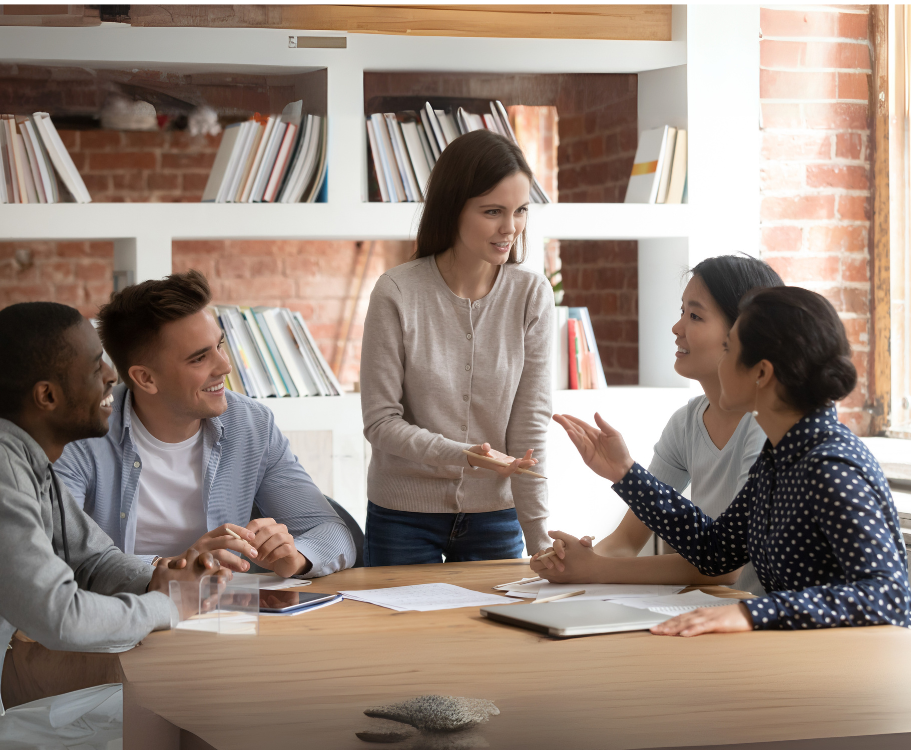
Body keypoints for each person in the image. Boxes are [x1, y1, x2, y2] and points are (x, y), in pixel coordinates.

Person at [545, 286, 910, 635]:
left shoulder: (830, 466)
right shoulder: (781, 456)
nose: (721, 362)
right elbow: (715, 550)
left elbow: (889, 598)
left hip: (848, 676)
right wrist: (625, 474)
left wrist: (751, 612)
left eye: (728, 349)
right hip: (803, 663)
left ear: (762, 373)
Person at [0, 302, 229, 715]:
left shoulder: (29, 461)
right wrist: (168, 605)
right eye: (94, 367)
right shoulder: (4, 470)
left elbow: (91, 559)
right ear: (47, 396)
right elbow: (60, 615)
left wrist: (167, 579)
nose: (112, 375)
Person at [55, 271, 355, 579]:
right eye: (199, 359)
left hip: (228, 615)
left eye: (220, 346)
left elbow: (331, 531)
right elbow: (61, 552)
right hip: (124, 615)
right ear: (146, 378)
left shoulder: (250, 425)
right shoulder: (80, 436)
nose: (225, 366)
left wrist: (297, 556)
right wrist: (178, 566)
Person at [534, 255, 783, 593]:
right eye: (682, 312)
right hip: (721, 614)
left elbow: (726, 567)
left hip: (760, 623)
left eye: (695, 316)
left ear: (743, 334)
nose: (677, 328)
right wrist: (572, 562)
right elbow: (627, 539)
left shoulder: (769, 428)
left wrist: (598, 570)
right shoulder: (686, 422)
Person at [360, 129, 552, 565]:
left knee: (496, 634)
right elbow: (380, 422)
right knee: (401, 630)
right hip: (402, 516)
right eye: (493, 212)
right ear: (452, 208)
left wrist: (539, 538)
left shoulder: (531, 295)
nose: (510, 228)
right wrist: (464, 455)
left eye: (520, 211)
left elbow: (529, 429)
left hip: (496, 518)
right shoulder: (397, 292)